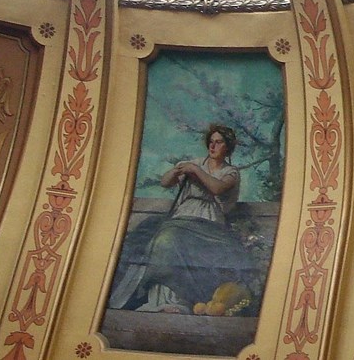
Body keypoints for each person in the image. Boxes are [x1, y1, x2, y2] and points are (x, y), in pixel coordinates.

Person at [108, 124, 256, 314]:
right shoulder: (196, 162)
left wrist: (196, 170)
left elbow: (217, 188)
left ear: (227, 147)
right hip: (181, 217)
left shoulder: (230, 172)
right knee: (162, 240)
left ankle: (181, 299)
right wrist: (177, 171)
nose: (212, 147)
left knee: (170, 238)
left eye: (218, 142)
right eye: (210, 142)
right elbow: (165, 182)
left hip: (208, 224)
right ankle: (163, 299)